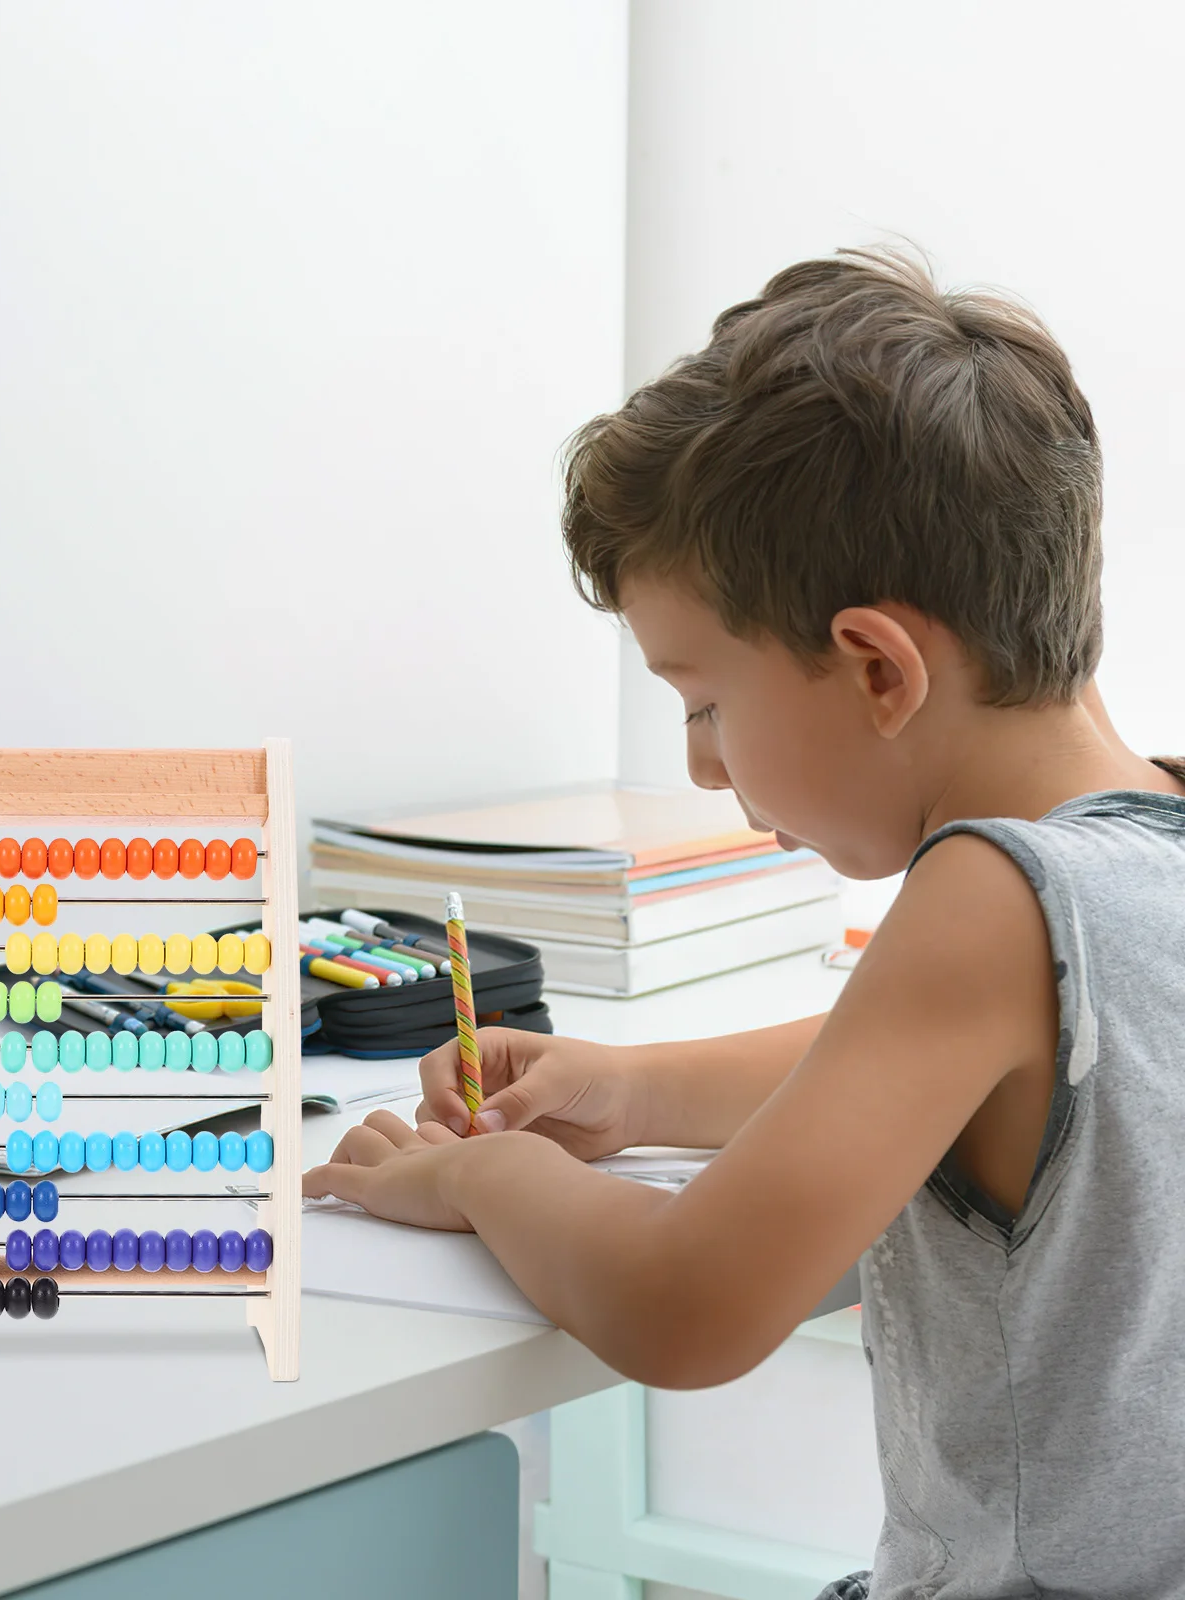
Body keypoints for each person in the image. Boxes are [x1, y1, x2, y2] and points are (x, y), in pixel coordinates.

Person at [303, 248, 1185, 1596]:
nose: (705, 766)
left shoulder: (988, 897)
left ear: (878, 667)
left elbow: (686, 1308)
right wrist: (637, 1088)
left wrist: (485, 1177)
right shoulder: (1148, 841)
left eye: (704, 701)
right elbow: (949, 1067)